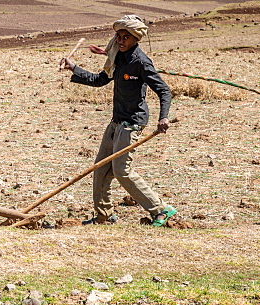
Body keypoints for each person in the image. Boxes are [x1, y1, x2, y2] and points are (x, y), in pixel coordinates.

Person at [60, 15, 177, 226]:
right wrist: (74, 68)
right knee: (100, 169)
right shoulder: (118, 58)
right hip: (116, 122)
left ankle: (161, 210)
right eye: (118, 36)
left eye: (126, 37)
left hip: (132, 123)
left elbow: (163, 91)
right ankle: (104, 215)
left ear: (135, 39)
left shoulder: (141, 62)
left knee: (122, 171)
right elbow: (100, 80)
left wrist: (164, 117)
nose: (121, 41)